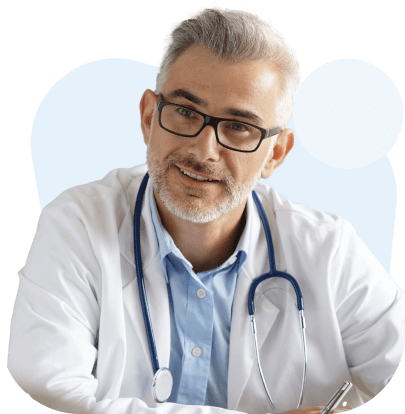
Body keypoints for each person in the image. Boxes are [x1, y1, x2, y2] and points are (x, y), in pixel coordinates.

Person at [8, 5, 404, 414]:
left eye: (239, 126)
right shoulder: (76, 225)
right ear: (149, 117)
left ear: (275, 154)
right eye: (185, 112)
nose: (204, 151)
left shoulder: (329, 250)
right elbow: (49, 396)